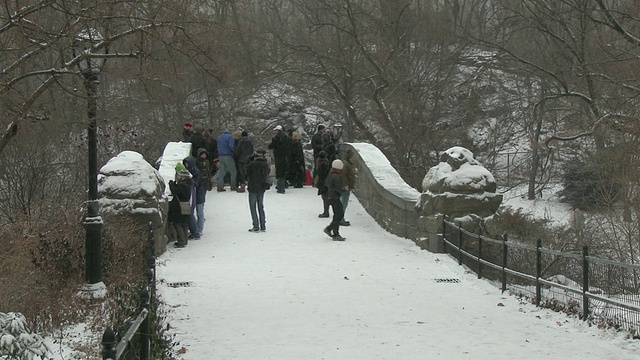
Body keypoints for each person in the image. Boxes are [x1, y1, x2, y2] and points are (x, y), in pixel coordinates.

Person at [245, 149, 270, 232]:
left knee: (253, 207)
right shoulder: (265, 165)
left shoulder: (251, 164)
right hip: (261, 187)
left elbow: (245, 172)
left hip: (252, 187)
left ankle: (256, 225)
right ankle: (263, 225)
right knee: (260, 206)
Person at [168, 167, 192, 248]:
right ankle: (185, 240)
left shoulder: (182, 185)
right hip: (186, 205)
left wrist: (171, 184)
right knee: (184, 223)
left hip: (178, 207)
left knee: (177, 223)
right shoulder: (188, 184)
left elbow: (175, 191)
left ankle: (181, 241)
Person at [323, 159, 346, 241]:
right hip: (334, 197)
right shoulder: (336, 176)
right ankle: (335, 233)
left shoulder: (331, 174)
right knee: (339, 215)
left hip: (330, 197)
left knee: (338, 214)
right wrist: (344, 189)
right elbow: (337, 188)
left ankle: (330, 229)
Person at [183, 155, 204, 239]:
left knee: (199, 212)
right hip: (194, 194)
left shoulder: (196, 172)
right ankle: (196, 230)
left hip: (198, 194)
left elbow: (196, 183)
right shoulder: (189, 172)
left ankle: (199, 229)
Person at [268, 125, 289, 194]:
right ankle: (283, 185)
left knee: (279, 172)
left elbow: (270, 146)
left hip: (278, 157)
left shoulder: (275, 138)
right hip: (285, 157)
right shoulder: (286, 138)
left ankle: (280, 187)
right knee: (283, 172)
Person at [339, 148, 357, 226]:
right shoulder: (346, 164)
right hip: (345, 186)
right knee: (344, 203)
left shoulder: (347, 163)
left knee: (343, 203)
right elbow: (343, 175)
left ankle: (340, 218)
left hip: (347, 185)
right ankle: (340, 218)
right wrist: (345, 184)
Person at [315, 150, 331, 218]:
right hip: (326, 181)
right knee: (325, 197)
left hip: (324, 182)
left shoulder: (322, 164)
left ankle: (326, 212)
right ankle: (326, 211)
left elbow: (321, 174)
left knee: (325, 197)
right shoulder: (326, 162)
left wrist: (319, 182)